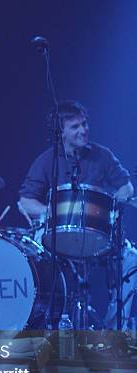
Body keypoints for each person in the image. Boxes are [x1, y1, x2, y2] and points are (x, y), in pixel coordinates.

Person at [18, 100, 136, 328]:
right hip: (59, 237)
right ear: (61, 132)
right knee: (34, 252)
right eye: (75, 127)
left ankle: (113, 331)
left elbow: (126, 188)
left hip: (98, 234)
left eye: (84, 124)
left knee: (132, 262)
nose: (84, 130)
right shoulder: (47, 161)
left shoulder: (102, 155)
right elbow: (26, 200)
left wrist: (114, 202)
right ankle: (48, 323)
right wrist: (51, 214)